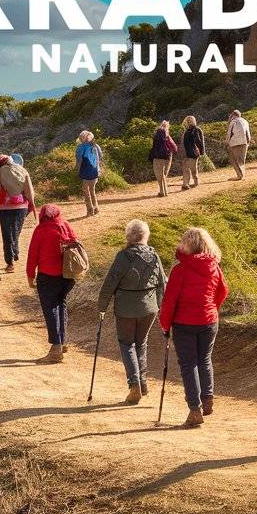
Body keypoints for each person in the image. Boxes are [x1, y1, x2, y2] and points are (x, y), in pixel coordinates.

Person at [159, 227, 228, 427]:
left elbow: (169, 301)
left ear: (186, 245)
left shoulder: (180, 270)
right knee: (204, 359)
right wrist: (212, 308)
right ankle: (207, 399)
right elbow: (223, 291)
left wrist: (165, 325)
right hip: (208, 320)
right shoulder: (214, 266)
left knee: (188, 365)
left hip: (184, 323)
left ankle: (194, 409)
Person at [98, 219, 167, 404]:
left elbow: (110, 283)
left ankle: (134, 384)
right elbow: (162, 282)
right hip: (149, 308)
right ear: (145, 236)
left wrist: (101, 307)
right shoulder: (153, 254)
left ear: (129, 236)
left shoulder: (123, 256)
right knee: (141, 343)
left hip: (126, 308)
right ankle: (142, 384)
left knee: (127, 344)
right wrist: (162, 307)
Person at [27, 203, 78, 363]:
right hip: (68, 276)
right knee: (60, 305)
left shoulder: (41, 230)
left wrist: (30, 276)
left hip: (48, 277)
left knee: (51, 310)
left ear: (43, 215)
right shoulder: (65, 225)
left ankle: (56, 348)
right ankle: (62, 342)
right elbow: (75, 244)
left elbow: (32, 255)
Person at [0, 152, 36, 273]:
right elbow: (29, 190)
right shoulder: (22, 169)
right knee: (16, 231)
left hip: (5, 207)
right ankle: (15, 251)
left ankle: (10, 263)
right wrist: (31, 205)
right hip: (21, 206)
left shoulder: (1, 171)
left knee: (7, 234)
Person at [75, 131, 104, 217]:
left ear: (81, 138)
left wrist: (77, 170)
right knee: (92, 191)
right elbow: (101, 156)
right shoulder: (96, 145)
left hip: (85, 173)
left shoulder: (80, 147)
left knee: (86, 193)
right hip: (95, 172)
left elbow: (79, 161)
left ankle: (89, 211)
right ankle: (96, 209)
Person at [150, 120, 179, 197]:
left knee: (159, 174)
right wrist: (172, 152)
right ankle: (165, 191)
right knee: (164, 174)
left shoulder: (155, 135)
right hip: (167, 156)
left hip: (157, 157)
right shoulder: (167, 136)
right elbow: (174, 147)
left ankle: (162, 191)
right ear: (167, 127)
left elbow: (153, 147)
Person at [180, 116, 205, 191]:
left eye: (188, 121)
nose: (187, 122)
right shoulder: (187, 130)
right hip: (187, 153)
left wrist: (201, 152)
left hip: (193, 152)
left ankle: (196, 182)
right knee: (185, 168)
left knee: (193, 168)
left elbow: (198, 141)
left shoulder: (195, 130)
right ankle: (185, 184)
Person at [226, 110, 251, 180]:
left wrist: (227, 143)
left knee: (234, 159)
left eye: (231, 116)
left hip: (234, 143)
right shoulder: (245, 121)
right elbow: (248, 133)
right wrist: (248, 142)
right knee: (242, 160)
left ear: (233, 115)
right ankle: (242, 175)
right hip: (244, 142)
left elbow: (229, 134)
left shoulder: (233, 122)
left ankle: (239, 176)